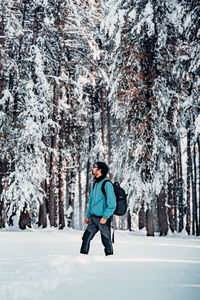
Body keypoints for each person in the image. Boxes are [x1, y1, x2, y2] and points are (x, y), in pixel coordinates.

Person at [80, 161, 116, 256]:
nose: (93, 168)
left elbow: (112, 204)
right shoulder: (95, 184)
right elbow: (91, 201)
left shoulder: (107, 184)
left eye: (95, 167)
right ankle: (81, 258)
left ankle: (110, 260)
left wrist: (105, 217)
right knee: (86, 238)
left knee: (106, 241)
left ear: (99, 170)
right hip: (93, 218)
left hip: (103, 219)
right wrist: (88, 216)